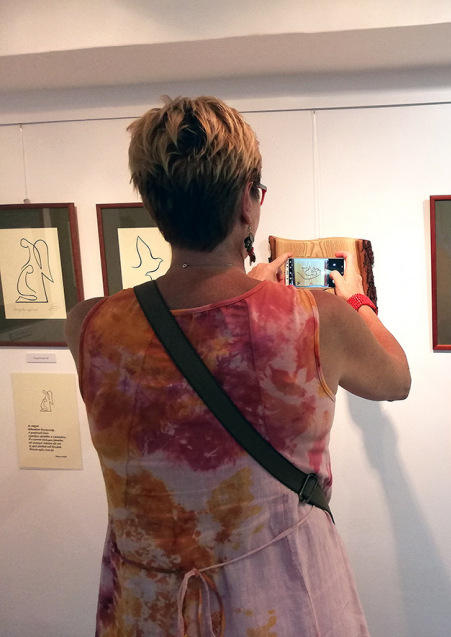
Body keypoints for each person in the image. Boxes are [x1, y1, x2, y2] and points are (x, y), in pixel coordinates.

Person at [64, 96, 411, 636]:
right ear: (248, 203)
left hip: (150, 610)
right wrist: (358, 304)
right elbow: (396, 379)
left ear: (153, 205)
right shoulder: (317, 318)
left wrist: (249, 289)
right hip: (281, 600)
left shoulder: (88, 325)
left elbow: (192, 337)